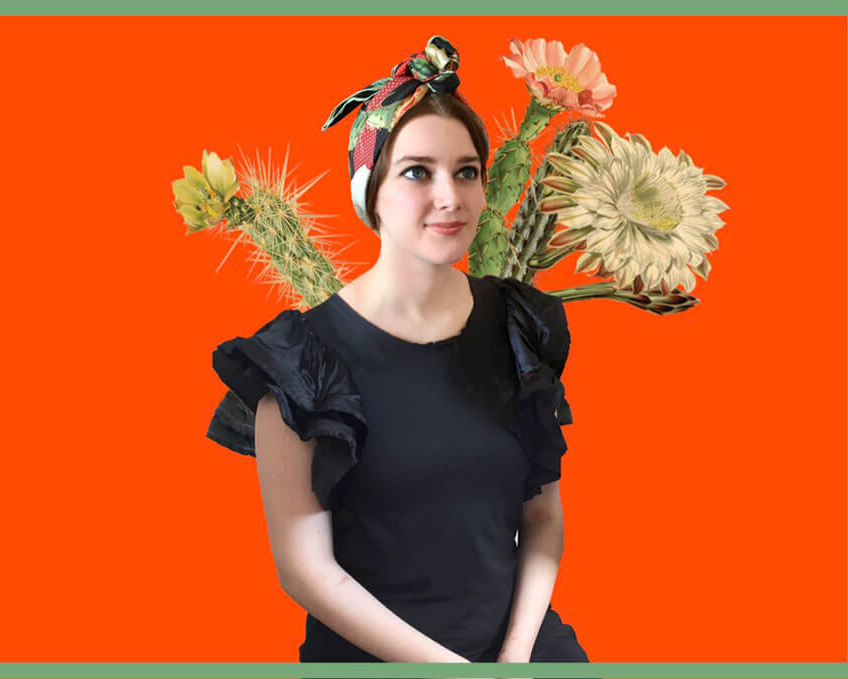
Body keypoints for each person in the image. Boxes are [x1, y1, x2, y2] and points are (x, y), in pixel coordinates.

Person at [206, 35, 590, 666]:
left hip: (520, 648)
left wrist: (518, 654)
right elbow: (305, 572)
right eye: (418, 173)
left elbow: (543, 519)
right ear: (370, 192)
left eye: (466, 172)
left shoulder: (521, 327)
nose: (450, 198)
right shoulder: (300, 361)